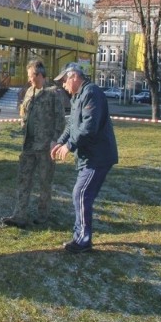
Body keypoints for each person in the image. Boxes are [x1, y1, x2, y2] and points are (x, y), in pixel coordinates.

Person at [50, 63, 118, 254]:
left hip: (98, 156)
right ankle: (81, 237)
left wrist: (69, 146)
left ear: (73, 77)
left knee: (80, 194)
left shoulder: (91, 92)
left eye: (64, 81)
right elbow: (72, 124)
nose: (63, 85)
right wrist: (60, 142)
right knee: (83, 195)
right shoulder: (77, 97)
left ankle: (82, 240)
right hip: (89, 157)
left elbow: (89, 127)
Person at [2, 60, 65, 228]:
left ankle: (43, 215)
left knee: (45, 182)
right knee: (23, 180)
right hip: (28, 145)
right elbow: (24, 111)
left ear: (38, 75)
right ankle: (19, 215)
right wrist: (23, 124)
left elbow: (60, 121)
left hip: (45, 147)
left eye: (31, 76)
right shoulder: (29, 91)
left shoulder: (53, 94)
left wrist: (55, 141)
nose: (29, 79)